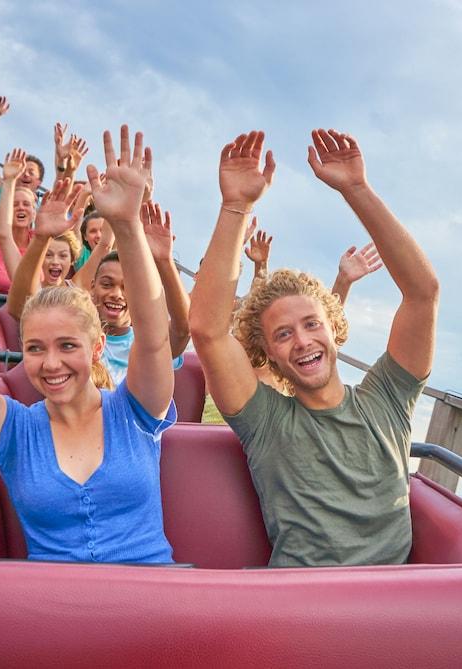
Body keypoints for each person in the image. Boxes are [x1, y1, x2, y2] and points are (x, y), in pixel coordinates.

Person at [0, 124, 176, 564]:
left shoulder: (136, 412)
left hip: (151, 600)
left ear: (95, 349)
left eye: (66, 346)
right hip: (55, 613)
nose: (50, 363)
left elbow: (153, 336)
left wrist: (127, 227)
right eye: (35, 348)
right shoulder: (15, 432)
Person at [189, 129, 440, 567]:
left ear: (333, 327)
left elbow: (422, 292)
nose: (302, 340)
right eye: (283, 334)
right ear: (268, 353)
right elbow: (208, 330)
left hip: (390, 608)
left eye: (310, 324)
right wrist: (236, 205)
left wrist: (356, 189)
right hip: (304, 606)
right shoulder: (265, 419)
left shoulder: (388, 398)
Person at [90, 201, 190, 385]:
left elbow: (183, 329)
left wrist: (164, 260)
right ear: (92, 288)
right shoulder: (77, 338)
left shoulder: (148, 342)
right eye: (107, 284)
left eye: (127, 288)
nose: (116, 294)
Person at [0, 95, 44, 229]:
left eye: (31, 172)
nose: (25, 174)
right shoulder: (0, 191)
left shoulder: (42, 207)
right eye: (21, 170)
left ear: (39, 182)